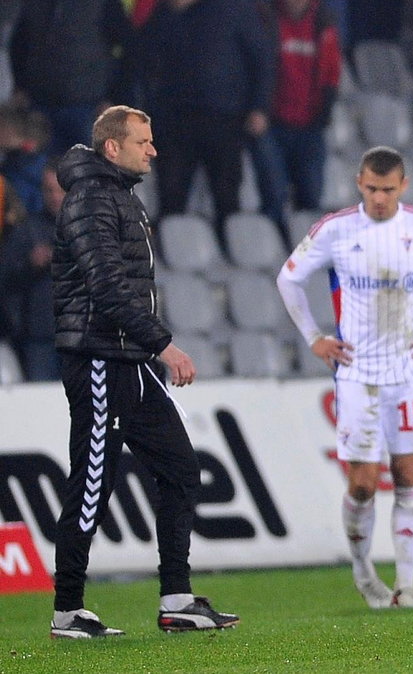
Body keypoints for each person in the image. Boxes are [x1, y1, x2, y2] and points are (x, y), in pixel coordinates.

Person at [49, 106, 238, 638]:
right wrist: (165, 345)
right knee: (92, 484)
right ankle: (67, 610)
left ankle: (177, 598)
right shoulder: (89, 200)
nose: (153, 150)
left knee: (180, 469)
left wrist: (147, 347)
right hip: (100, 360)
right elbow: (107, 287)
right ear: (113, 148)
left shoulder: (119, 197)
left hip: (128, 360)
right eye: (143, 141)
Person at [276, 146, 413, 609]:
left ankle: (406, 584)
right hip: (357, 372)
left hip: (409, 371)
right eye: (371, 188)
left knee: (410, 475)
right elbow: (288, 279)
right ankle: (363, 570)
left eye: (388, 189)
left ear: (403, 186)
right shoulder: (336, 230)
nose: (379, 198)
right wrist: (314, 337)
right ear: (359, 183)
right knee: (364, 484)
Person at [137, 0, 276, 250]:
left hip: (224, 120)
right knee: (171, 197)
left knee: (226, 197)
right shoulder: (166, 11)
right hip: (176, 122)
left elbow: (261, 59)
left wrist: (259, 107)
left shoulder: (235, 8)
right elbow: (143, 56)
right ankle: (174, 255)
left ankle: (233, 256)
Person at [251, 0, 342, 243]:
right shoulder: (267, 20)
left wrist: (324, 113)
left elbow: (331, 72)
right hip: (273, 125)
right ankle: (270, 251)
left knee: (310, 197)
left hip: (310, 127)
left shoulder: (323, 24)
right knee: (273, 194)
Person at [9, 0, 132, 155]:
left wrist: (114, 97)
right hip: (39, 102)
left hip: (87, 104)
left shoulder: (103, 4)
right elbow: (19, 43)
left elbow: (128, 48)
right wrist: (20, 87)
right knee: (33, 168)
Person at [0, 160, 59, 381]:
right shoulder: (27, 230)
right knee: (41, 406)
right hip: (40, 338)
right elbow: (5, 278)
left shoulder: (92, 229)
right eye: (49, 190)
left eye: (60, 189)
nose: (54, 197)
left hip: (84, 339)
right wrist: (31, 265)